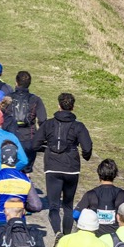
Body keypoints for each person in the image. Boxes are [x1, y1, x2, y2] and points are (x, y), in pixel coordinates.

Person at [31, 92, 93, 237]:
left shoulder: (48, 124)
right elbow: (87, 148)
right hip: (72, 168)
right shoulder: (78, 126)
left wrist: (46, 147)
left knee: (54, 206)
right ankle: (65, 237)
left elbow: (34, 144)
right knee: (68, 206)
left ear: (59, 105)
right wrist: (85, 155)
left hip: (52, 168)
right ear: (73, 107)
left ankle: (57, 232)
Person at [0, 140, 42, 225]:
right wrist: (22, 206)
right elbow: (36, 206)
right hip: (18, 223)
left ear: (1, 157)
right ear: (16, 158)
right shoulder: (26, 179)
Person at [74, 159, 124, 236]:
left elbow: (75, 214)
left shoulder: (90, 194)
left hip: (96, 237)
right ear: (115, 175)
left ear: (99, 174)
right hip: (116, 238)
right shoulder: (123, 195)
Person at [9, 71, 47, 170]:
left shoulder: (7, 98)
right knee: (26, 170)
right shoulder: (35, 99)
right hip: (29, 138)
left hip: (10, 138)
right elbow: (42, 120)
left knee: (9, 168)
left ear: (16, 82)